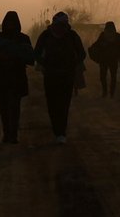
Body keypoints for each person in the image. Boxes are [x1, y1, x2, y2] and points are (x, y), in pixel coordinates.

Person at [33, 11, 86, 143]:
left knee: (62, 105)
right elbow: (36, 53)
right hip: (52, 75)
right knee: (54, 105)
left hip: (65, 75)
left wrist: (72, 64)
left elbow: (81, 54)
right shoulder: (47, 35)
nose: (60, 28)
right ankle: (59, 131)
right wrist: (45, 63)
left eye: (62, 24)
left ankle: (60, 132)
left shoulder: (71, 36)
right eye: (58, 24)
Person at [0, 10, 34, 144]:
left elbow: (30, 57)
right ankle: (8, 133)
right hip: (2, 76)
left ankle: (12, 134)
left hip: (15, 76)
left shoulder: (22, 38)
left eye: (13, 23)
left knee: (14, 107)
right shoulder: (1, 37)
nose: (11, 25)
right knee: (4, 108)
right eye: (9, 23)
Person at [88, 21, 120, 98]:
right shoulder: (117, 36)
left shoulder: (103, 35)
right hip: (113, 60)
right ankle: (111, 93)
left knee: (103, 77)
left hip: (104, 60)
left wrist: (91, 49)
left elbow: (96, 44)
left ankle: (105, 92)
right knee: (113, 77)